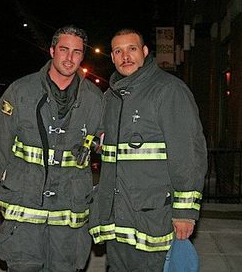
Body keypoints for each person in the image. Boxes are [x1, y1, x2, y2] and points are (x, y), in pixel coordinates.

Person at [89, 28, 207, 271]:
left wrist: (185, 212)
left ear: (144, 52)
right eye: (118, 51)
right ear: (112, 57)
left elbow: (188, 154)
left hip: (151, 217)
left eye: (132, 49)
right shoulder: (111, 97)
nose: (125, 56)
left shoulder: (168, 90)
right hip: (117, 219)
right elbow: (106, 143)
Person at [0, 25, 103, 272]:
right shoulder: (21, 90)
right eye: (64, 49)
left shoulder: (94, 99)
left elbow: (104, 138)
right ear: (52, 51)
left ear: (82, 56)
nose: (69, 58)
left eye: (76, 52)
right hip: (25, 204)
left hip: (69, 208)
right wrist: (8, 175)